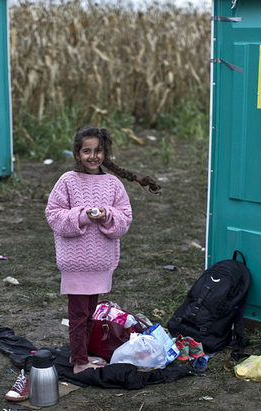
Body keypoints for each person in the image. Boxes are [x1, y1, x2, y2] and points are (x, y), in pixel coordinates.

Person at [45, 126, 160, 374]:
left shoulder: (113, 184)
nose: (93, 156)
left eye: (98, 151)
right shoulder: (67, 181)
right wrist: (83, 216)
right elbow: (53, 215)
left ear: (105, 153)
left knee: (90, 315)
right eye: (87, 151)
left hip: (100, 263)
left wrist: (107, 215)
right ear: (77, 153)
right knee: (78, 316)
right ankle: (79, 361)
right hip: (75, 263)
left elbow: (125, 219)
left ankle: (83, 355)